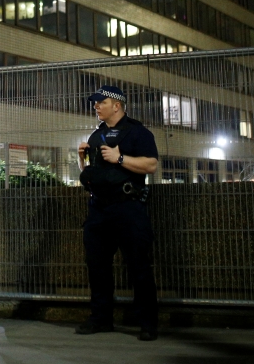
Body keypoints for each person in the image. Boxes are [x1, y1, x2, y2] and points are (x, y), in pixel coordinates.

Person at [76, 85, 159, 341]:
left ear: (117, 105)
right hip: (99, 208)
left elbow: (151, 165)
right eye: (95, 103)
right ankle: (101, 319)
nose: (96, 106)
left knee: (138, 266)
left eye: (101, 102)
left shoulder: (138, 132)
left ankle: (147, 323)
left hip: (128, 207)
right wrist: (81, 158)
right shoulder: (95, 136)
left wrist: (119, 158)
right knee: (97, 266)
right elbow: (90, 172)